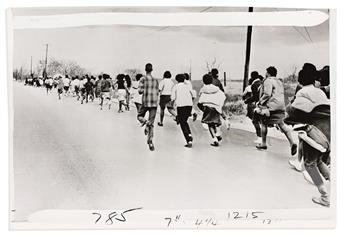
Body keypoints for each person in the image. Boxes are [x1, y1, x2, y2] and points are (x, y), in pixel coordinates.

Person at [284, 64, 330, 207]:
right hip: (328, 130)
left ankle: (325, 196)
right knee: (319, 161)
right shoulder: (320, 92)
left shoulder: (302, 93)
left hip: (314, 132)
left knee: (310, 165)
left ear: (300, 81)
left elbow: (292, 112)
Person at [255, 66, 297, 155]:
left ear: (268, 73)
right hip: (281, 106)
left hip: (270, 106)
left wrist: (260, 102)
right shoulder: (279, 81)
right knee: (281, 124)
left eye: (266, 72)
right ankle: (292, 142)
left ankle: (263, 144)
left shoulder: (268, 81)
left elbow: (267, 94)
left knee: (263, 123)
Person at [197, 74, 226, 147]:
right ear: (212, 80)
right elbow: (222, 96)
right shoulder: (216, 88)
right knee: (215, 123)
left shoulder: (203, 89)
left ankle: (215, 139)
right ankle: (217, 134)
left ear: (203, 81)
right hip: (216, 108)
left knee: (210, 124)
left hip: (207, 108)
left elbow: (200, 97)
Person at [137, 63, 159, 151]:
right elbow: (157, 91)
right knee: (152, 123)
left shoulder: (143, 79)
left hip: (145, 102)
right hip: (154, 102)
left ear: (145, 70)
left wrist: (145, 89)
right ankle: (150, 141)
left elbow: (139, 91)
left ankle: (145, 122)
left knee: (139, 116)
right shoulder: (156, 80)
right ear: (152, 70)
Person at [171, 74, 194, 148]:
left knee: (182, 123)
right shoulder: (187, 86)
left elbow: (173, 98)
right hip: (189, 105)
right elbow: (193, 95)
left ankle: (188, 140)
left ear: (177, 80)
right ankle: (189, 135)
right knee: (185, 121)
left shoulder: (175, 87)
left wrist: (172, 105)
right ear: (184, 79)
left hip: (181, 106)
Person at [243, 71, 264, 144]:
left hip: (259, 105)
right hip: (265, 105)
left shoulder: (254, 85)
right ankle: (262, 138)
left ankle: (260, 137)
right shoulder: (262, 83)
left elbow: (255, 97)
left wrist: (247, 100)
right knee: (263, 122)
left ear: (252, 77)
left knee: (255, 121)